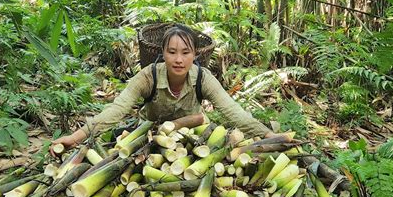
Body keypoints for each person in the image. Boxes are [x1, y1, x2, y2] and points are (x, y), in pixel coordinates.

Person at [51, 24, 274, 156]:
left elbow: (233, 111)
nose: (178, 59)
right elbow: (115, 111)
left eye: (185, 52)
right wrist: (76, 137)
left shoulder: (202, 78)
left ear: (195, 54)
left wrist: (267, 135)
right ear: (163, 53)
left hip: (190, 141)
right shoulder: (149, 76)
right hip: (149, 137)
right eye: (172, 52)